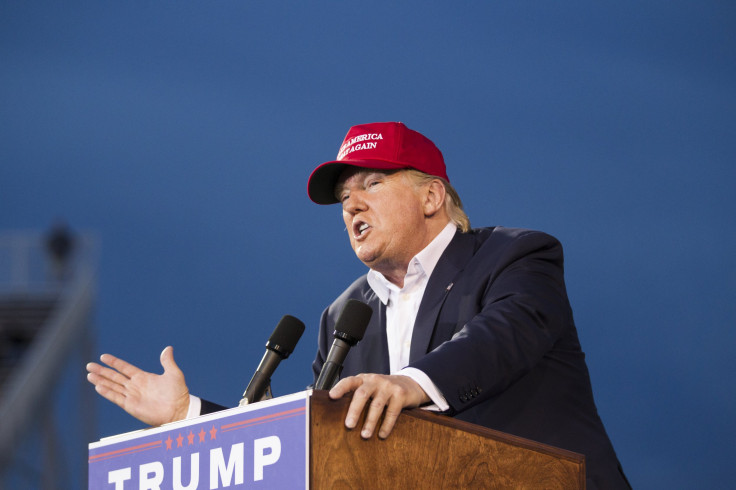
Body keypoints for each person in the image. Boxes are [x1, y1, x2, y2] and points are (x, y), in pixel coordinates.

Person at [87, 122, 630, 488]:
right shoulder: (345, 314)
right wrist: (188, 418)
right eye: (345, 198)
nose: (354, 205)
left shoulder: (515, 255)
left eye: (373, 183)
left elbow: (504, 335)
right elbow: (318, 445)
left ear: (431, 196)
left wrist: (411, 383)